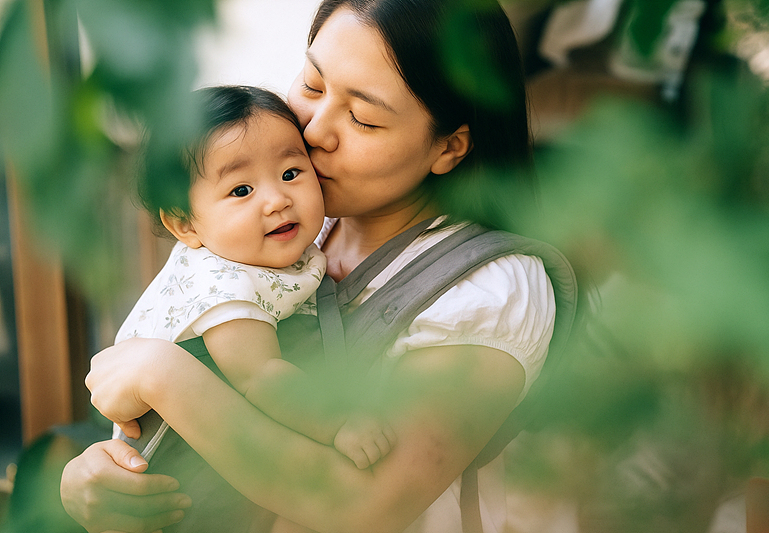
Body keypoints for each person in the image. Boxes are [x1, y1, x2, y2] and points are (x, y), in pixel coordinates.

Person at [61, 1, 563, 532]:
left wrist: (162, 374)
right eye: (313, 84)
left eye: (363, 118)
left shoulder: (487, 289)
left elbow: (360, 502)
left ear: (449, 146)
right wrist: (93, 479)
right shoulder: (288, 233)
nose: (316, 130)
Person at [114, 84, 393, 470]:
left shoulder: (262, 253)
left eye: (291, 172)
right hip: (173, 463)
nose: (278, 199)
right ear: (184, 224)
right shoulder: (222, 283)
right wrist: (339, 423)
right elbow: (260, 377)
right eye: (241, 190)